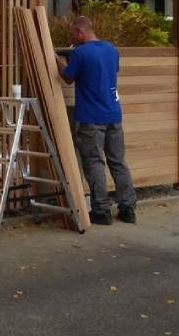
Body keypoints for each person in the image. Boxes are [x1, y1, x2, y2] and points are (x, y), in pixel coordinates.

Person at [56, 15, 136, 225]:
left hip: (91, 118)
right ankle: (128, 209)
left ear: (80, 32)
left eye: (73, 34)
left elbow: (68, 78)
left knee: (94, 163)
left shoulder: (81, 53)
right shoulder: (111, 49)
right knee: (118, 162)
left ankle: (101, 212)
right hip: (113, 114)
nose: (72, 38)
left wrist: (60, 61)